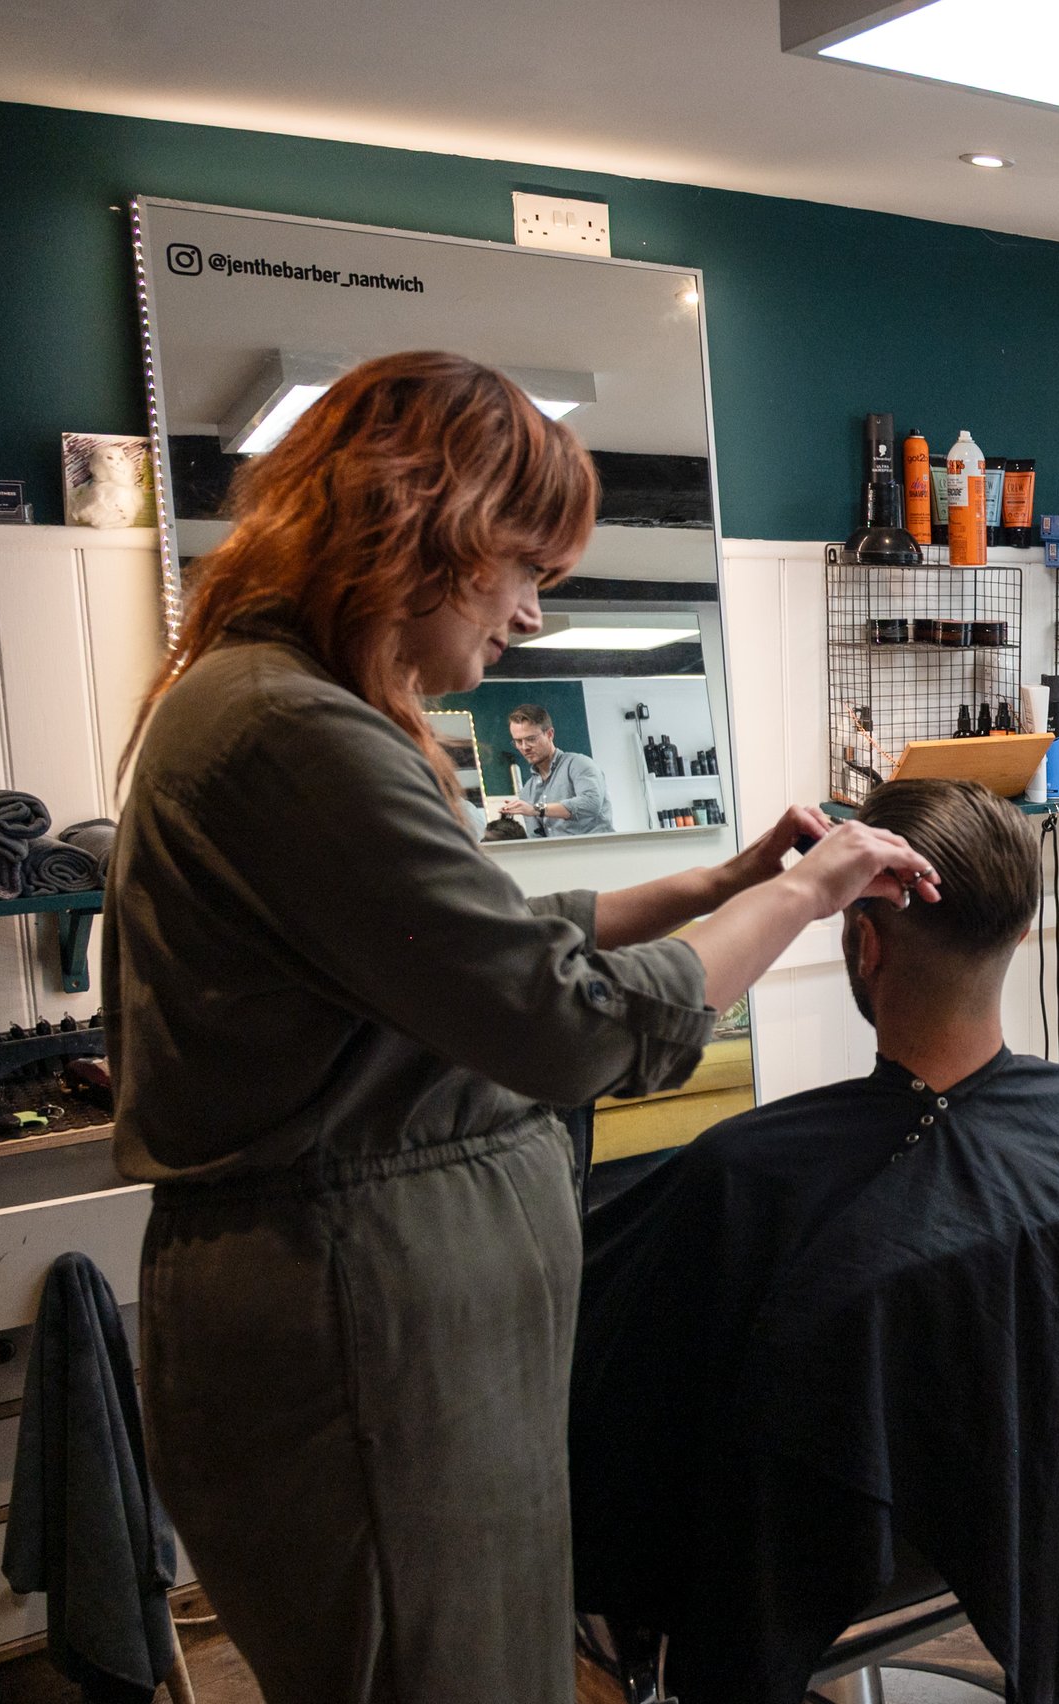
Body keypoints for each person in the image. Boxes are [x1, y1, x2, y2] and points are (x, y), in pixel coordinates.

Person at [105, 351, 939, 1704]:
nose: (537, 618)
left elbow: (480, 943)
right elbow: (563, 1024)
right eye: (527, 570)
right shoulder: (288, 735)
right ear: (425, 529)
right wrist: (805, 891)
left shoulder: (292, 712)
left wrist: (722, 882)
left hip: (391, 1324)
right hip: (358, 1335)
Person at [572, 780, 1059, 1703]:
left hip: (813, 1565)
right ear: (1019, 934)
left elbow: (618, 1409)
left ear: (863, 944)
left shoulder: (739, 1174)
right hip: (1035, 1526)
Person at [498, 702, 611, 835]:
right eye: (518, 741)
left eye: (531, 739)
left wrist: (537, 809)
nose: (524, 747)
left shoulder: (578, 764)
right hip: (559, 855)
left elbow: (591, 804)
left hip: (598, 852)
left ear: (550, 734)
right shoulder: (528, 791)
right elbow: (536, 837)